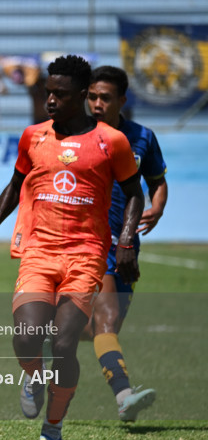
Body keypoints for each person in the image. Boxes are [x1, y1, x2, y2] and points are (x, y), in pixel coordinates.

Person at [0, 55, 143, 440]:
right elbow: (15, 184)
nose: (50, 101)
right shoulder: (33, 136)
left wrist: (127, 240)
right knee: (28, 337)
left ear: (81, 96)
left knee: (64, 345)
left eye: (60, 95)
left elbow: (134, 193)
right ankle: (33, 374)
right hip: (39, 251)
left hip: (85, 255)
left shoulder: (110, 141)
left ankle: (53, 427)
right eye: (48, 93)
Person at [82, 65, 167, 421]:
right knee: (107, 318)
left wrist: (158, 207)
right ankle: (125, 397)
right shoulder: (77, 137)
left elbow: (157, 180)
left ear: (122, 100)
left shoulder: (142, 137)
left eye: (105, 98)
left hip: (127, 243)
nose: (97, 104)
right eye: (92, 97)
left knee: (102, 330)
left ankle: (51, 337)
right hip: (92, 242)